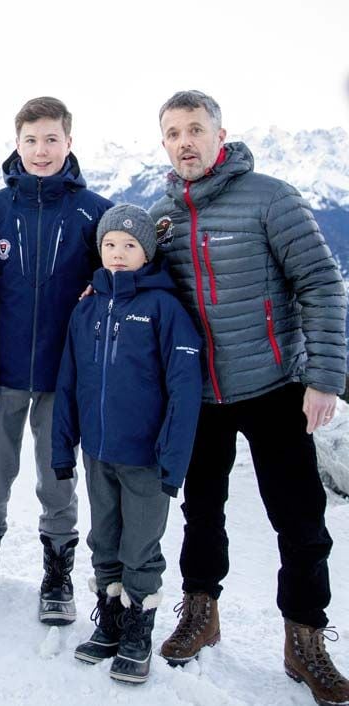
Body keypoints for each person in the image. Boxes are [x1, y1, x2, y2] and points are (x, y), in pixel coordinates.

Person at [150, 90, 348, 705]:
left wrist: (324, 377)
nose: (185, 141)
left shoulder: (270, 198)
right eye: (174, 132)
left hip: (274, 387)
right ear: (164, 143)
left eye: (196, 130)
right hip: (202, 395)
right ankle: (201, 614)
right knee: (201, 511)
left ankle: (305, 640)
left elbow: (320, 281)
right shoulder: (161, 214)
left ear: (220, 134)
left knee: (300, 520)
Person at [0, 97, 113, 625]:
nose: (41, 151)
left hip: (65, 374)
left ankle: (58, 573)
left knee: (56, 477)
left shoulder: (94, 210)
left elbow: (114, 283)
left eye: (52, 139)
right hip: (4, 372)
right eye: (31, 140)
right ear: (16, 144)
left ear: (69, 142)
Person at [52, 204, 202, 683]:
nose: (118, 254)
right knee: (105, 539)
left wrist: (172, 461)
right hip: (98, 453)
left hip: (146, 458)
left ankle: (139, 629)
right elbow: (69, 381)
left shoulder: (165, 309)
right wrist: (63, 447)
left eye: (130, 245)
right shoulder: (87, 308)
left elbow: (184, 389)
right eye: (110, 244)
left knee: (141, 547)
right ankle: (112, 620)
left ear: (148, 252)